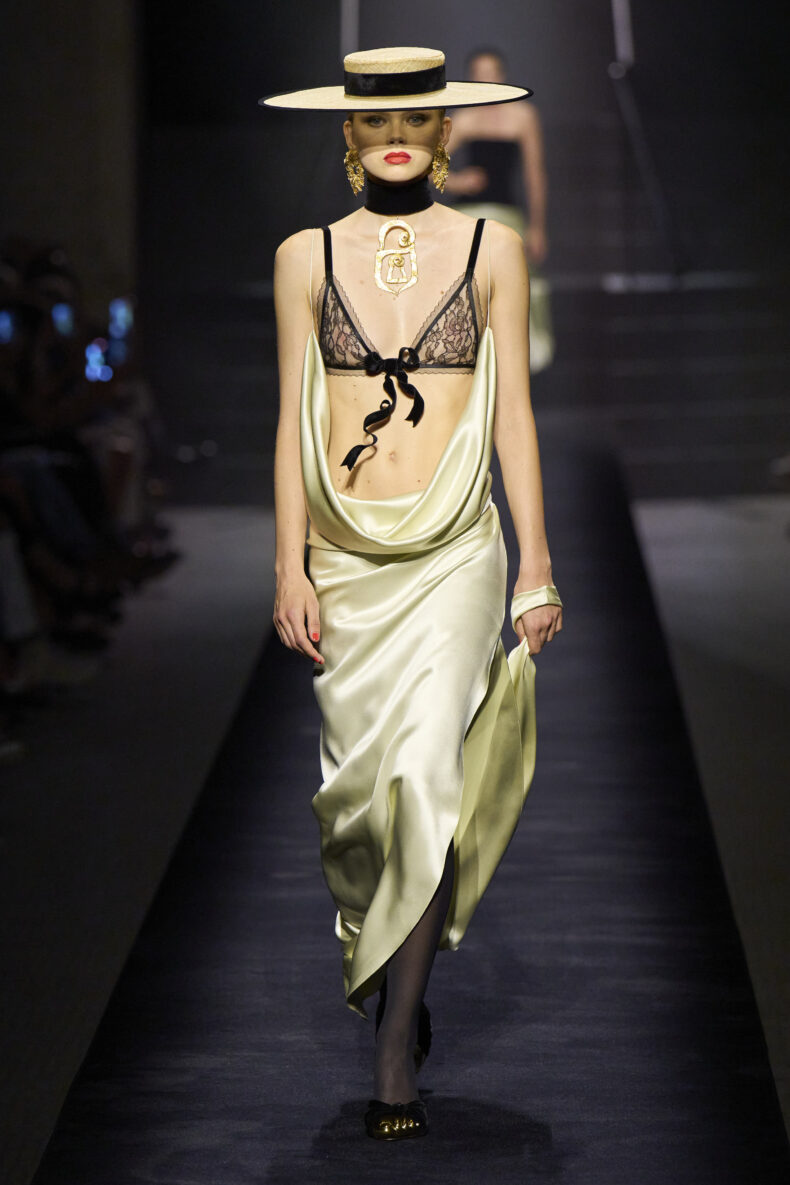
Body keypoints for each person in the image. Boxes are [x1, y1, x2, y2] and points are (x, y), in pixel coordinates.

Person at [263, 46, 562, 1141]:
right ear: (347, 132)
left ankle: (396, 1038)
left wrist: (534, 563)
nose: (396, 132)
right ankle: (388, 964)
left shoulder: (493, 247)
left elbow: (514, 414)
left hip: (453, 551)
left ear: (446, 131)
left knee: (430, 772)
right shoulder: (304, 256)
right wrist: (288, 563)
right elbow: (292, 419)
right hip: (347, 555)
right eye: (375, 116)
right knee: (361, 808)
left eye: (417, 115)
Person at [444, 47, 554, 372]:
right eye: (479, 74)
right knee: (469, 288)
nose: (486, 80)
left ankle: (517, 361)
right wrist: (458, 182)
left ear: (502, 76)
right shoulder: (463, 119)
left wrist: (538, 226)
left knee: (516, 287)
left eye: (491, 73)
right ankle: (469, 359)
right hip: (468, 219)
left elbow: (535, 173)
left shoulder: (522, 116)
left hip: (508, 217)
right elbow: (427, 164)